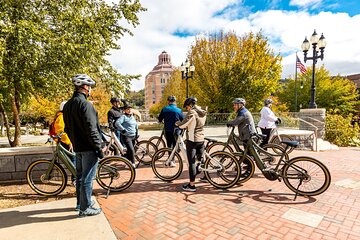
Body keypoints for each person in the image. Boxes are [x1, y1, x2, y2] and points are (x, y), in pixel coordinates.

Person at [63, 74, 103, 217]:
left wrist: (74, 142)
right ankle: (85, 209)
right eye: (90, 87)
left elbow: (67, 128)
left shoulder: (67, 105)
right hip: (89, 148)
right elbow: (92, 129)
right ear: (85, 87)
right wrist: (99, 148)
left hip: (78, 148)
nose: (90, 89)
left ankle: (81, 203)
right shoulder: (86, 105)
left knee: (80, 177)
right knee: (87, 178)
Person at [175, 97, 207, 192]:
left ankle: (192, 185)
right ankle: (206, 176)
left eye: (187, 107)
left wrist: (178, 124)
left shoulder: (192, 113)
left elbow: (184, 124)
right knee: (200, 160)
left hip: (193, 140)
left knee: (191, 163)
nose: (187, 109)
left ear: (190, 105)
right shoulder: (202, 112)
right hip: (201, 139)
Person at [53, 101, 76, 184]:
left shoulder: (65, 116)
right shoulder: (61, 118)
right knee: (73, 159)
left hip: (70, 141)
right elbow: (61, 132)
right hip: (66, 142)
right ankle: (75, 179)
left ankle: (76, 178)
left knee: (74, 159)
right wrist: (69, 142)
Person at [115, 104, 138, 168]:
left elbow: (136, 125)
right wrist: (123, 129)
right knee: (131, 149)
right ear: (124, 110)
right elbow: (117, 123)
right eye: (128, 109)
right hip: (126, 136)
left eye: (130, 109)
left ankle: (128, 162)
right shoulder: (123, 117)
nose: (129, 110)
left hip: (133, 135)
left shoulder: (132, 116)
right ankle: (133, 163)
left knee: (130, 150)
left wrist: (137, 133)